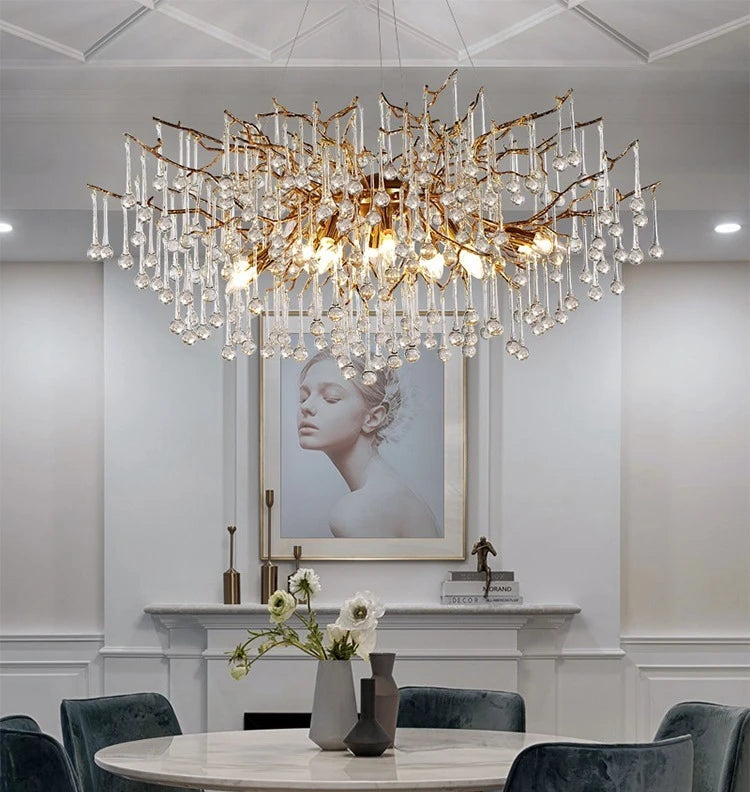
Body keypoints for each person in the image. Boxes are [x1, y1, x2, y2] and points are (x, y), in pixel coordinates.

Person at [296, 350, 439, 539]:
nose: (305, 407)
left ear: (373, 418)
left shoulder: (358, 510)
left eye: (331, 398)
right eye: (303, 397)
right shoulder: (391, 490)